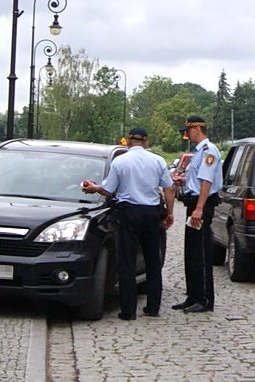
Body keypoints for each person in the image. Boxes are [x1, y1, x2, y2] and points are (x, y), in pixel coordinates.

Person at [82, 127, 176, 320]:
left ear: (128, 141)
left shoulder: (121, 161)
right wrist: (170, 213)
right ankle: (153, 306)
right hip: (151, 214)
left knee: (127, 260)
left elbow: (108, 190)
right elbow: (169, 188)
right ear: (146, 142)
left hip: (129, 213)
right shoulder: (157, 160)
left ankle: (128, 310)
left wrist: (93, 188)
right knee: (152, 259)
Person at [171, 115, 222, 313]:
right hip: (194, 203)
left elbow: (206, 182)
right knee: (191, 251)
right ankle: (192, 295)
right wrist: (183, 182)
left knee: (200, 251)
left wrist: (199, 209)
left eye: (188, 130)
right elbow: (197, 182)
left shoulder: (209, 151)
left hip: (202, 205)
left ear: (197, 129)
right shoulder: (198, 152)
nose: (186, 134)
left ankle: (204, 299)